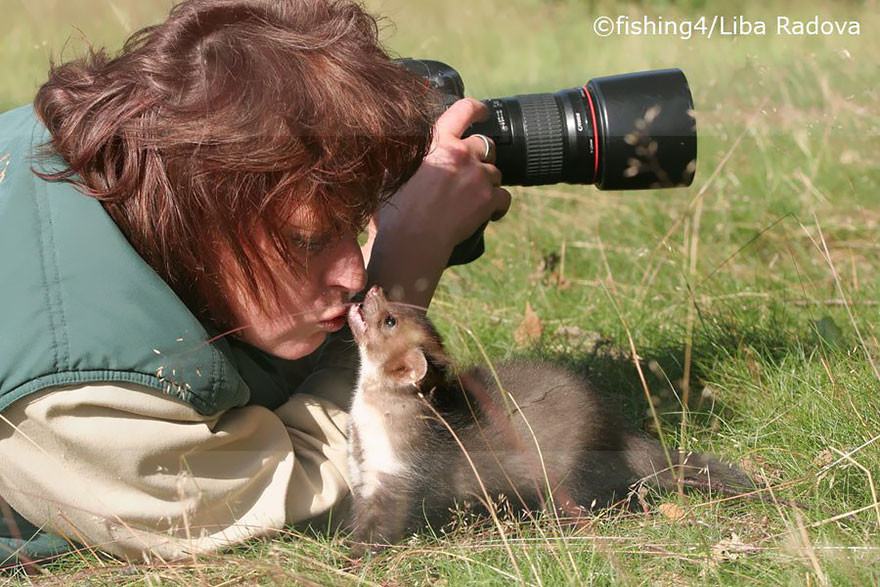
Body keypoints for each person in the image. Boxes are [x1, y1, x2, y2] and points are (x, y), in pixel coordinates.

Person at [0, 0, 510, 562]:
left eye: (353, 225)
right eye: (308, 241)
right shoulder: (82, 392)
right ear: (195, 217)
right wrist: (409, 261)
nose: (354, 272)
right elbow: (300, 496)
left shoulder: (91, 144)